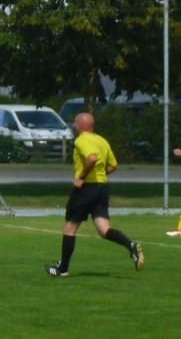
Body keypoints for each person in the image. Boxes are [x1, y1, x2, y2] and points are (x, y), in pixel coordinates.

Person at [46, 112, 144, 277]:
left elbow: (91, 158)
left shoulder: (81, 140)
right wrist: (98, 175)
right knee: (104, 229)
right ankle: (131, 245)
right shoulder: (102, 141)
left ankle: (63, 269)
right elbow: (113, 165)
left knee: (70, 228)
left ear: (80, 125)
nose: (75, 127)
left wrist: (82, 177)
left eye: (76, 124)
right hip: (101, 188)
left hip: (86, 189)